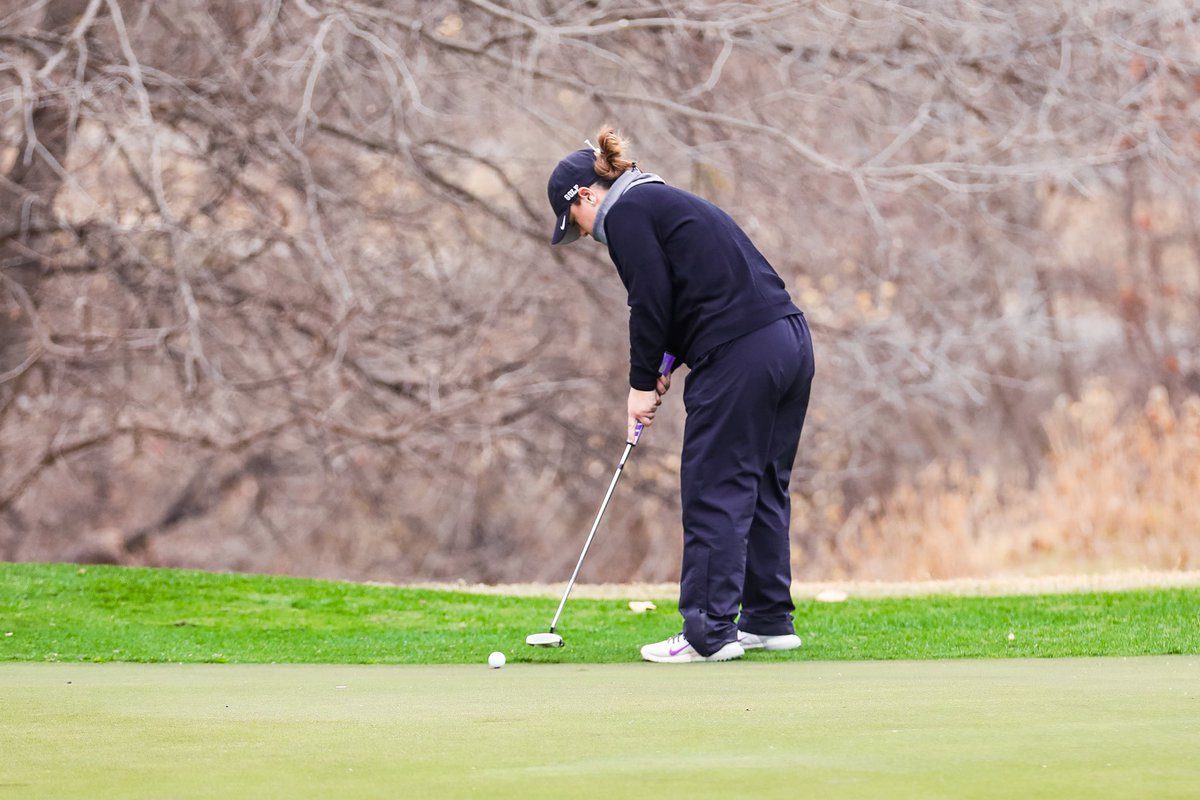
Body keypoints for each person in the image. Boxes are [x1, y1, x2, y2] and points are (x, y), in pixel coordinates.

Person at [546, 126, 816, 663]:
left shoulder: (625, 212)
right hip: (787, 342)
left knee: (714, 484)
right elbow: (685, 289)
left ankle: (708, 633)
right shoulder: (661, 199)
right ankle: (767, 620)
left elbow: (649, 300)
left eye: (573, 222)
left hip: (740, 352)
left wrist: (640, 385)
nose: (584, 235)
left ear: (585, 196)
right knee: (760, 481)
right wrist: (667, 360)